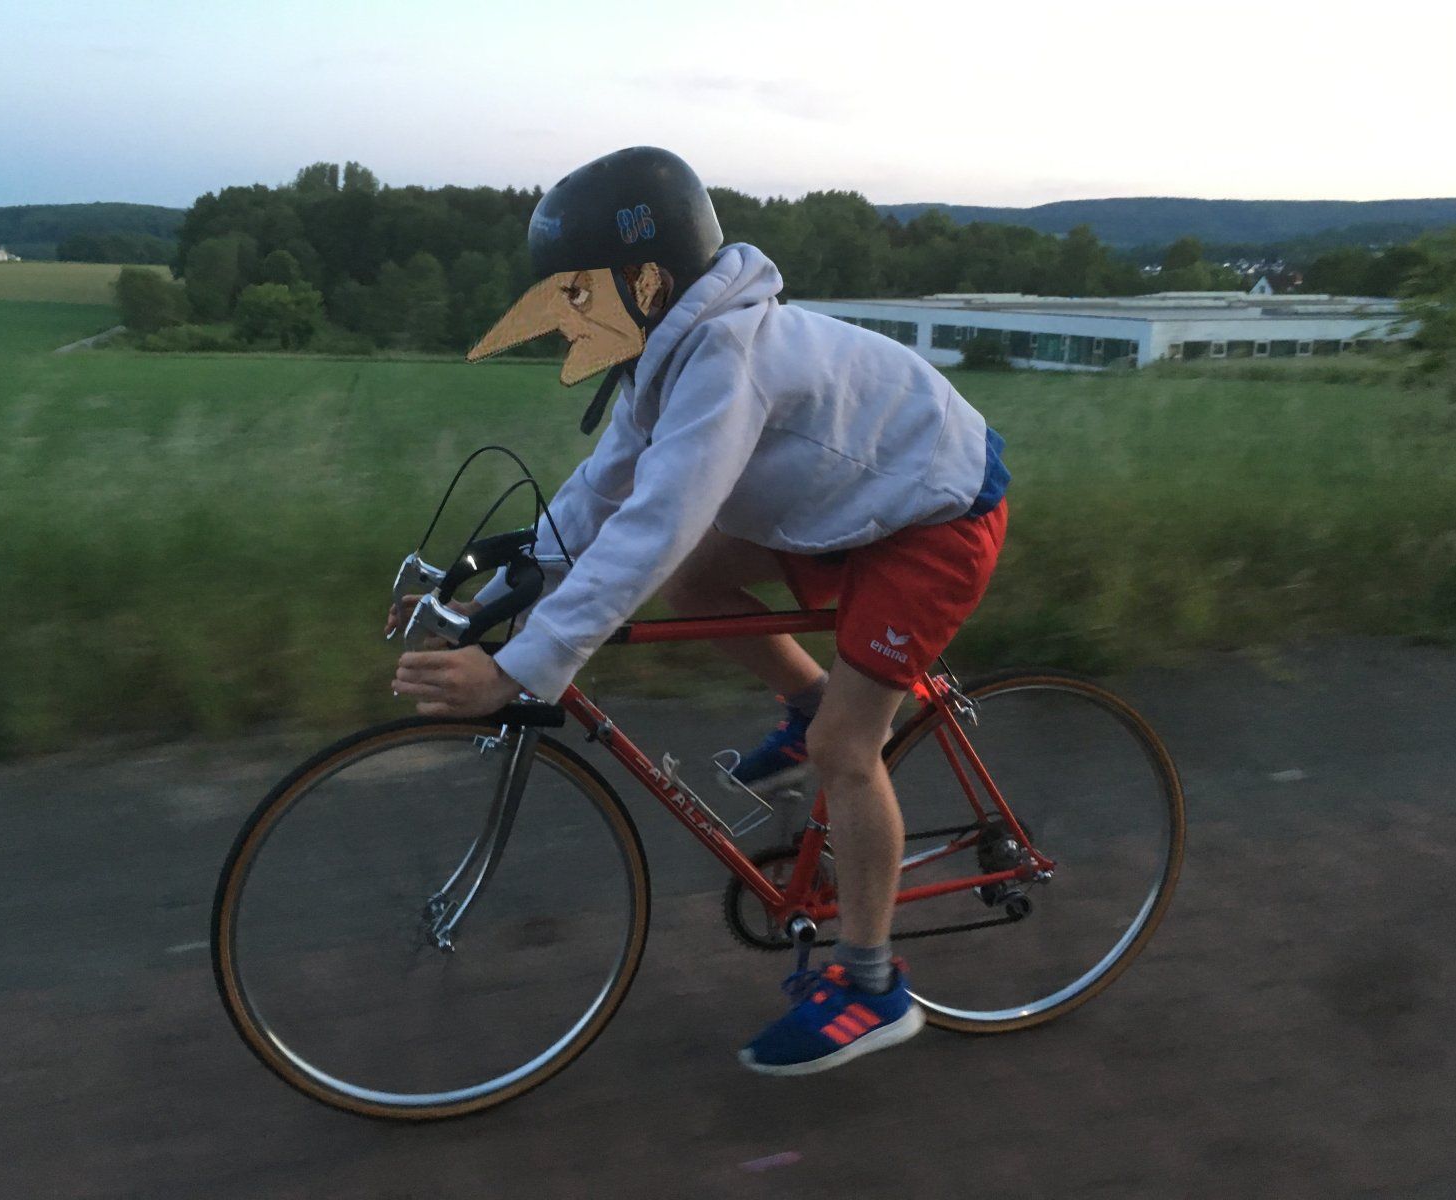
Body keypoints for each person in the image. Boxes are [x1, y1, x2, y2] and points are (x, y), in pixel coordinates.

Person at [392, 146, 1009, 1076]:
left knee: (850, 749)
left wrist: (520, 668)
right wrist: (485, 601)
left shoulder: (726, 357)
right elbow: (602, 490)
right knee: (698, 587)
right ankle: (807, 702)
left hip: (933, 513)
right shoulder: (666, 352)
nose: (569, 316)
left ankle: (872, 986)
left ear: (648, 281)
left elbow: (654, 526)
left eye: (579, 293)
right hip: (851, 500)